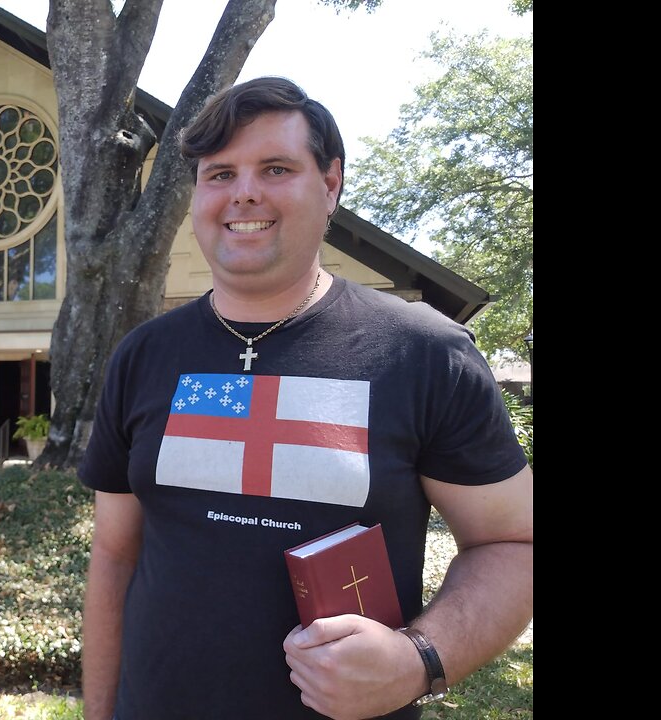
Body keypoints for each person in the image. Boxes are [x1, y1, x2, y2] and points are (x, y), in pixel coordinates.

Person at [77, 76, 533, 720]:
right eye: (219, 173)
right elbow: (116, 554)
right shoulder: (144, 356)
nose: (244, 193)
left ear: (331, 184)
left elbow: (515, 542)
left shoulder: (426, 353)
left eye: (276, 167)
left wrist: (420, 659)